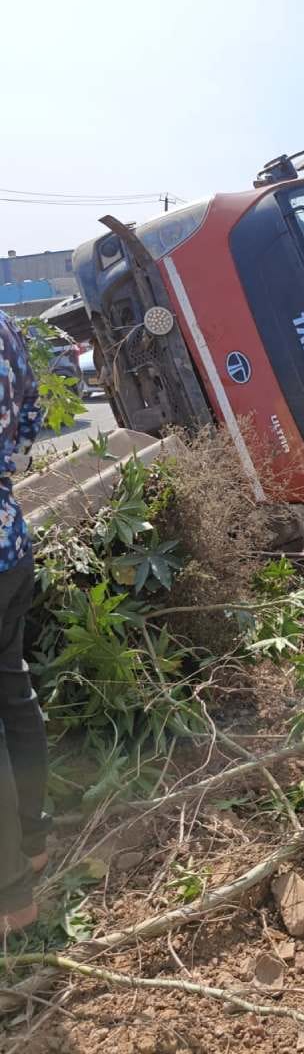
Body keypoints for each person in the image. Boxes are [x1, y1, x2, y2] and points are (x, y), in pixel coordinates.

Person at [0, 309, 47, 932]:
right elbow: (31, 413)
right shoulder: (6, 325)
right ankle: (33, 844)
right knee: (13, 691)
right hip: (10, 543)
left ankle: (12, 898)